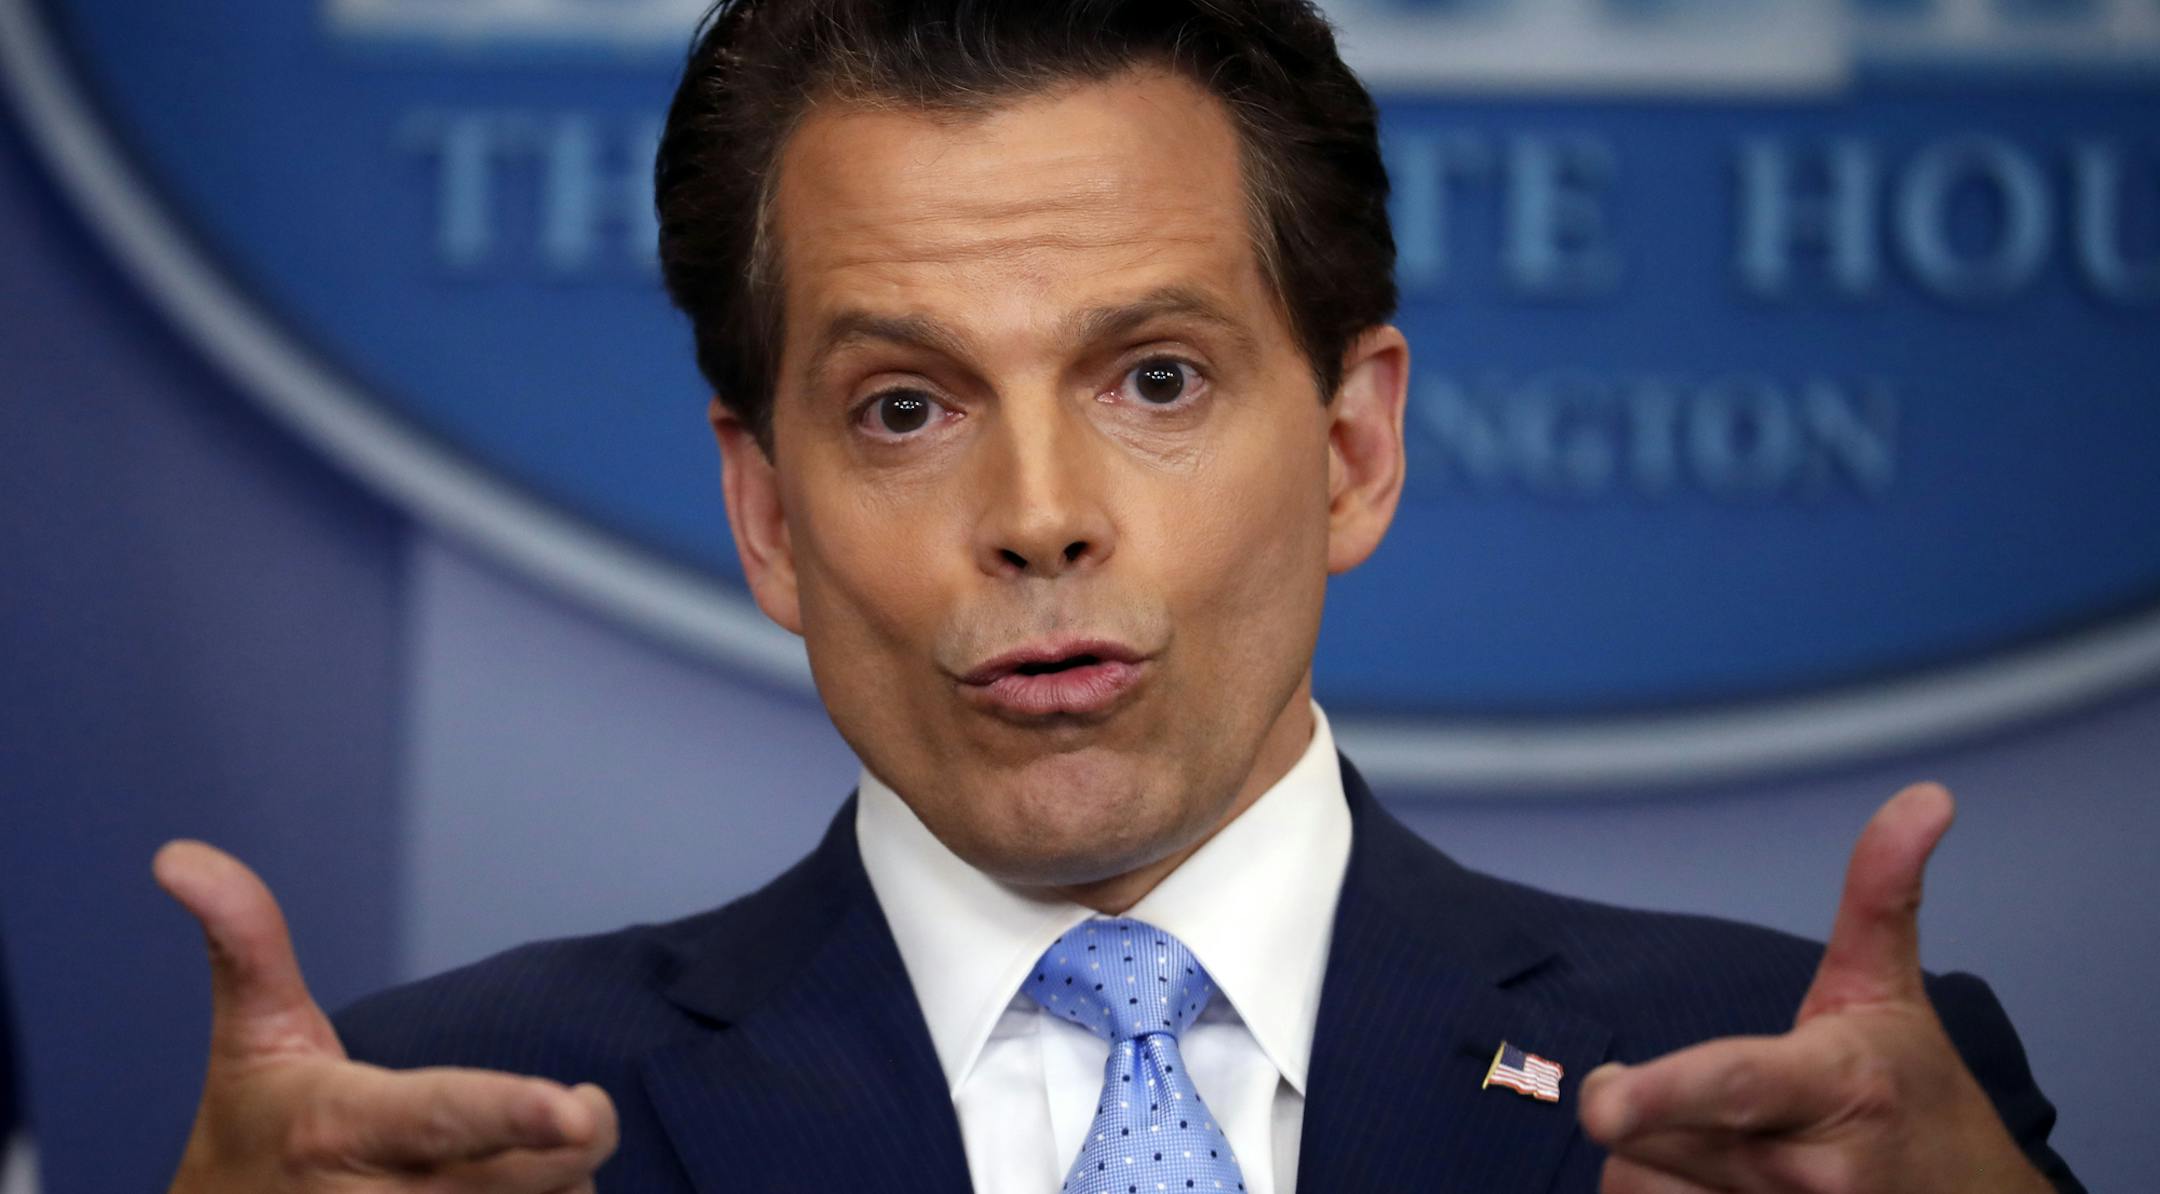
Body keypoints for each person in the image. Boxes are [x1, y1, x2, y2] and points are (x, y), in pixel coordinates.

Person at [151, 1, 2081, 1191]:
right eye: (905, 407)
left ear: (1352, 450)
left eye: (1154, 378)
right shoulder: (450, 1133)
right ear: (765, 513)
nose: (1041, 516)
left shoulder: (1795, 1107)